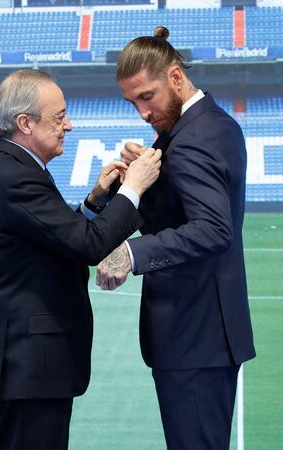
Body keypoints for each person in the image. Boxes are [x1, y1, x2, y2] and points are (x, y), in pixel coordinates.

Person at [0, 69, 162, 450]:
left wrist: (94, 202)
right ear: (25, 123)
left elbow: (54, 238)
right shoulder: (15, 178)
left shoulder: (11, 168)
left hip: (27, 367)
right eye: (58, 117)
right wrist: (134, 187)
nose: (68, 126)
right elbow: (88, 246)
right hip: (29, 366)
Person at [96, 27, 256, 450]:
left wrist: (133, 252)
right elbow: (181, 210)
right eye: (133, 103)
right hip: (205, 334)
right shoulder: (210, 124)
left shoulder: (191, 140)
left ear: (176, 78)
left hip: (195, 337)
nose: (142, 113)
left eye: (146, 97)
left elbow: (213, 228)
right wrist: (140, 179)